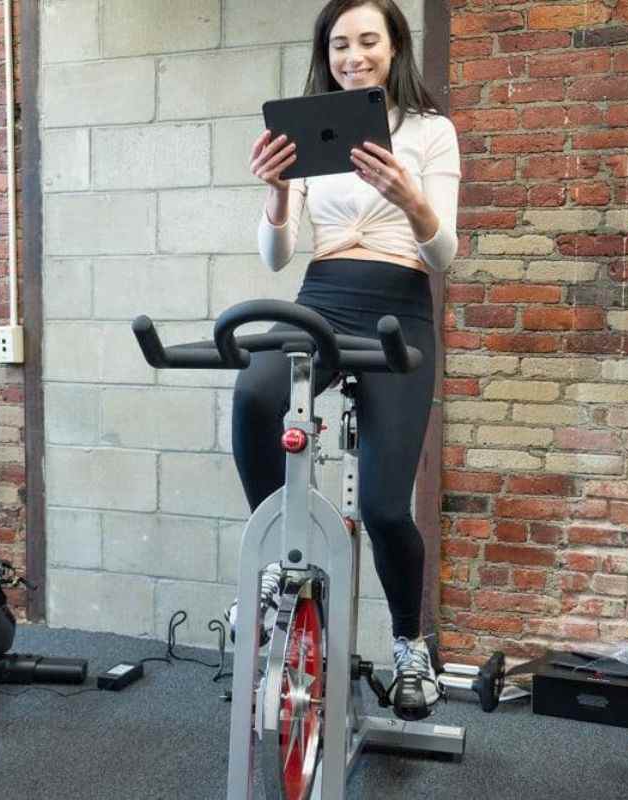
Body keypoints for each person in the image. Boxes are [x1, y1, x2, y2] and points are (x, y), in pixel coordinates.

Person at [236, 0, 460, 721]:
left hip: (400, 304)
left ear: (395, 47)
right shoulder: (308, 131)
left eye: (369, 40)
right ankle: (279, 567)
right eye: (340, 44)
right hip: (322, 298)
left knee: (388, 507)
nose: (353, 55)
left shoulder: (431, 132)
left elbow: (443, 252)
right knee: (256, 393)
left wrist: (410, 198)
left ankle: (409, 647)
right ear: (326, 53)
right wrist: (275, 190)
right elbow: (277, 257)